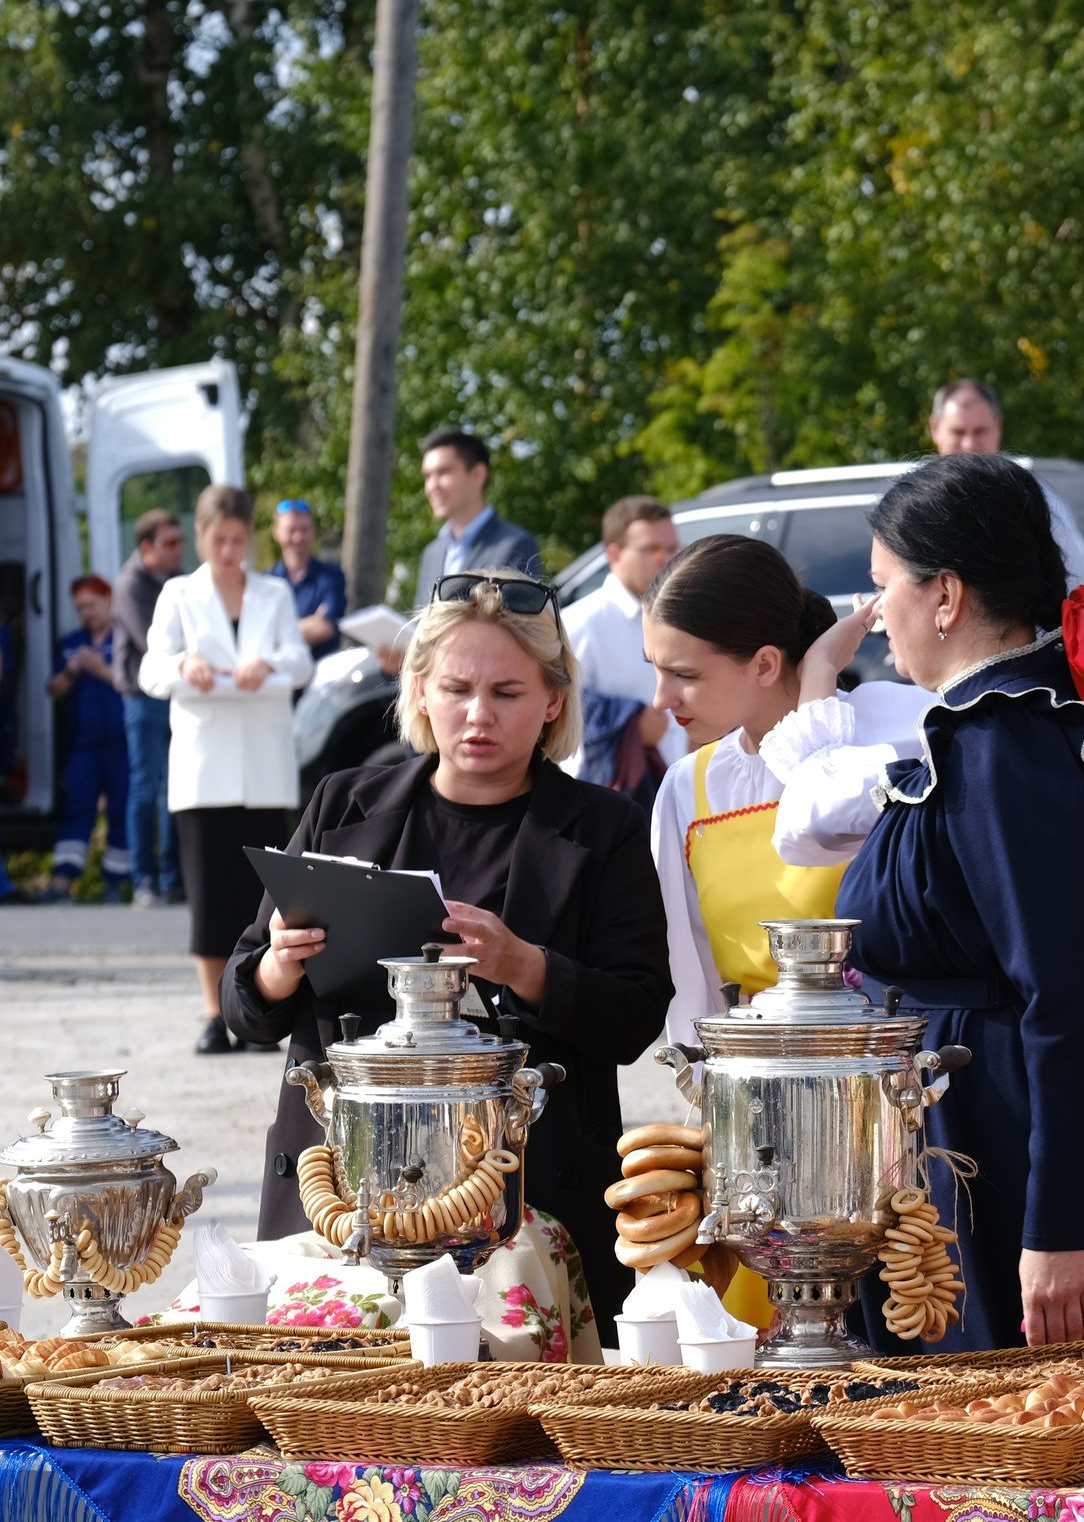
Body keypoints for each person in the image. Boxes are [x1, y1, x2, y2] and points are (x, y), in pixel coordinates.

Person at [768, 453, 1084, 1350]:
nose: (876, 611)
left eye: (885, 585)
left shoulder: (1005, 742)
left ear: (946, 595)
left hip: (1008, 1143)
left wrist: (1056, 1227)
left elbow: (1065, 996)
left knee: (1021, 1423)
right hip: (971, 1129)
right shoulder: (995, 727)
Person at [222, 571, 673, 1323]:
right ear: (420, 691)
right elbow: (245, 1008)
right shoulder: (342, 803)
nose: (478, 713)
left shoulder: (606, 828)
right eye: (457, 688)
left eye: (507, 692)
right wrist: (277, 964)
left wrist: (523, 964)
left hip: (527, 1204)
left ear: (553, 699)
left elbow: (635, 1016)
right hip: (339, 1200)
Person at [647, 533, 932, 1044]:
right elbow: (689, 977)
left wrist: (820, 675)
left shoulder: (893, 731)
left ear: (764, 663)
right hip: (757, 1071)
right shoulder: (687, 785)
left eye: (683, 674)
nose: (660, 698)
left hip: (892, 1063)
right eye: (655, 668)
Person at [140, 486, 314, 1052]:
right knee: (210, 894)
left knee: (263, 894)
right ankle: (215, 1012)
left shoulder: (274, 593)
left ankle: (261, 1009)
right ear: (200, 535)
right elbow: (150, 671)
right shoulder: (178, 593)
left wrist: (267, 664)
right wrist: (184, 664)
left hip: (263, 764)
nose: (230, 551)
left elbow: (301, 662)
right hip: (204, 767)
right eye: (220, 540)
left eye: (239, 540)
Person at [380, 427, 543, 674]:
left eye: (443, 472)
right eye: (428, 476)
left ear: (477, 475)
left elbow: (514, 639)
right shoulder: (432, 553)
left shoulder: (515, 545)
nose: (431, 486)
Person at [564, 495, 683, 800]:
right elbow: (552, 710)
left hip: (678, 795)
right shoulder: (578, 624)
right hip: (604, 801)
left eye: (671, 548)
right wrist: (630, 721)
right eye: (651, 549)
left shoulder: (683, 618)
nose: (664, 558)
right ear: (614, 554)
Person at [926, 379, 1084, 590]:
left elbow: (1078, 587)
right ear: (935, 428)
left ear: (998, 426)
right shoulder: (914, 504)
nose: (969, 444)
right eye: (958, 432)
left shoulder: (1034, 499)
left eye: (980, 431)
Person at [113, 509, 187, 906]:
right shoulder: (130, 585)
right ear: (146, 547)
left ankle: (173, 879)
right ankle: (144, 880)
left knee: (174, 790)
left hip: (176, 695)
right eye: (169, 542)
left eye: (181, 541)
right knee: (145, 788)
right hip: (143, 701)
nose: (178, 549)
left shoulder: (179, 581)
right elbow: (155, 644)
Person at [45, 575, 131, 900]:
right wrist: (70, 671)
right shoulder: (73, 642)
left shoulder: (125, 639)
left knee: (121, 810)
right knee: (77, 807)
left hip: (122, 743)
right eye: (80, 607)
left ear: (109, 599)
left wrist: (100, 669)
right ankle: (61, 884)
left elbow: (138, 682)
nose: (86, 613)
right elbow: (53, 690)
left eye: (92, 605)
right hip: (83, 744)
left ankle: (115, 885)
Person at [268, 499, 348, 655]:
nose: (298, 537)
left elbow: (325, 628)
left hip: (322, 667)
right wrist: (312, 623)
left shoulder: (331, 576)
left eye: (304, 529)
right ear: (276, 533)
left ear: (313, 532)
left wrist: (276, 632)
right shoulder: (266, 581)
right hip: (277, 669)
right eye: (291, 530)